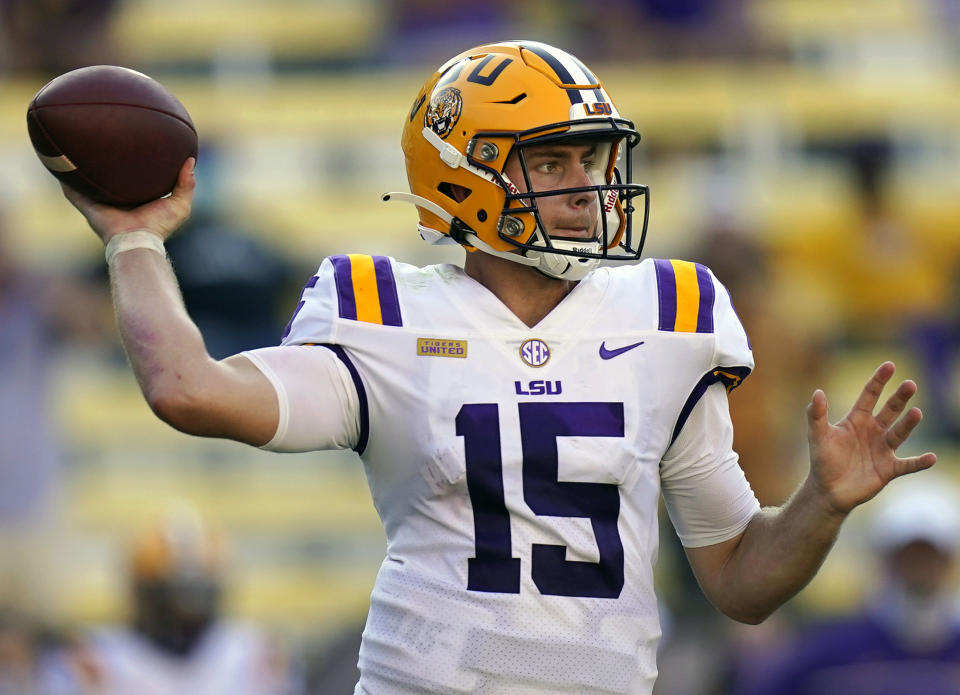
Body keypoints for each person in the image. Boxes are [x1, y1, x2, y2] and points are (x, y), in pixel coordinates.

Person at [58, 40, 936, 695]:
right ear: (466, 175)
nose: (587, 186)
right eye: (551, 161)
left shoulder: (672, 313)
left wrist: (820, 504)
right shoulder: (384, 311)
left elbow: (742, 580)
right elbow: (188, 388)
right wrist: (134, 238)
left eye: (591, 159)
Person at [732, 473, 960, 695]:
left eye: (930, 555)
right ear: (886, 558)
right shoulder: (831, 650)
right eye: (909, 555)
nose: (920, 565)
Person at [52, 504, 302, 695]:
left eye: (196, 596)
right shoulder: (95, 660)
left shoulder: (254, 655)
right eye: (173, 597)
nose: (184, 615)